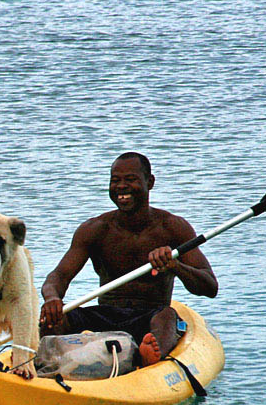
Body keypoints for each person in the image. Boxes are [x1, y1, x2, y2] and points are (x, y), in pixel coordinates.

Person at [39, 152, 218, 365]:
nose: (121, 186)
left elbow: (209, 286)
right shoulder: (94, 229)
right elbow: (59, 275)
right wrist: (52, 298)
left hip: (149, 317)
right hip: (105, 316)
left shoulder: (172, 227)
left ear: (149, 182)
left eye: (130, 179)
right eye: (115, 181)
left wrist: (175, 266)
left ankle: (149, 356)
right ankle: (45, 362)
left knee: (167, 316)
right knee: (54, 320)